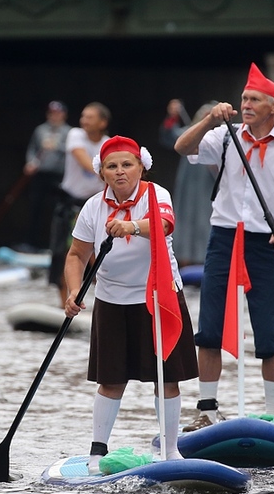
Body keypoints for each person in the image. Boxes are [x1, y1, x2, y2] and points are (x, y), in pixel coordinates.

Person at [174, 63, 274, 430]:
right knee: (210, 327)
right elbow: (181, 146)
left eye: (254, 99)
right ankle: (207, 410)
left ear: (273, 106)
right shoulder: (225, 137)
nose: (245, 105)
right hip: (224, 237)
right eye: (243, 98)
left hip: (267, 241)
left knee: (271, 331)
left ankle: (273, 415)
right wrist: (208, 121)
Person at [63, 135, 198, 474]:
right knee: (110, 379)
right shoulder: (93, 207)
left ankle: (170, 451)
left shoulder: (157, 195)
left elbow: (165, 225)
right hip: (112, 299)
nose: (120, 172)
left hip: (159, 296)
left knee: (166, 377)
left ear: (141, 167)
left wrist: (131, 226)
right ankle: (97, 452)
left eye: (127, 164)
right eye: (112, 166)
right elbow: (77, 255)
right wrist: (74, 291)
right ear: (102, 173)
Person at [48, 102, 111, 307]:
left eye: (90, 117)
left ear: (103, 123)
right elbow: (86, 162)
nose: (84, 120)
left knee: (98, 251)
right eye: (83, 116)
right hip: (70, 202)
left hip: (96, 204)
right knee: (63, 252)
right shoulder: (75, 135)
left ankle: (106, 298)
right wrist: (111, 170)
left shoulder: (108, 143)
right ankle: (63, 302)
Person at [159, 99, 219, 266]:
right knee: (184, 221)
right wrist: (173, 116)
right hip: (188, 187)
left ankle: (205, 258)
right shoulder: (189, 134)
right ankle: (183, 259)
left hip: (208, 189)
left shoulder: (222, 140)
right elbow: (169, 136)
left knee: (205, 220)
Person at [20, 101, 72, 251]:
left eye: (58, 113)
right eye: (51, 113)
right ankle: (31, 243)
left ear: (63, 115)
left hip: (59, 176)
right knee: (35, 208)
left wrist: (57, 147)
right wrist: (30, 162)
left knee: (56, 209)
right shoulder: (40, 130)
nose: (54, 116)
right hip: (40, 174)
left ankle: (55, 244)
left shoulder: (69, 132)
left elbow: (72, 151)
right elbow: (32, 148)